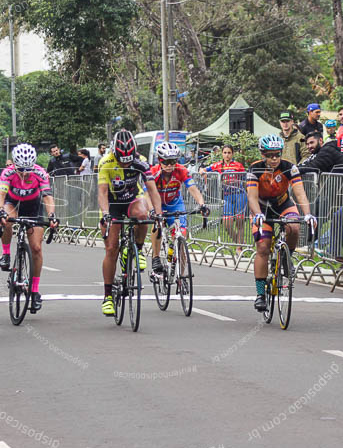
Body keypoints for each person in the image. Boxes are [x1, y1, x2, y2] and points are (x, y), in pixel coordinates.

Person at [247, 134, 316, 312]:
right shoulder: (255, 169)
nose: (274, 159)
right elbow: (252, 197)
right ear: (263, 154)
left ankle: (286, 257)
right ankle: (260, 294)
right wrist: (257, 214)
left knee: (294, 226)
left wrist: (308, 214)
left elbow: (300, 193)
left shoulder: (289, 168)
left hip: (283, 203)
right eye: (270, 155)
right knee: (263, 246)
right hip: (262, 208)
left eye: (277, 154)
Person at [97, 129, 163, 316]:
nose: (125, 163)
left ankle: (138, 250)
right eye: (121, 159)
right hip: (112, 203)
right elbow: (101, 193)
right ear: (114, 153)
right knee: (111, 249)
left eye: (128, 160)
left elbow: (152, 190)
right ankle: (108, 296)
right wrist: (105, 213)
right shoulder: (106, 162)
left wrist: (158, 214)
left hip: (132, 200)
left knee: (144, 215)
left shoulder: (140, 161)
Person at [0, 143, 59, 313]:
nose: (24, 173)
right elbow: (0, 196)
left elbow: (48, 197)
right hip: (13, 203)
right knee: (7, 220)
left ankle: (35, 290)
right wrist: (0, 211)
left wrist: (52, 215)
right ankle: (6, 254)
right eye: (21, 169)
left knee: (36, 248)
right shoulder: (7, 172)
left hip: (32, 206)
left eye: (27, 169)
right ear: (15, 164)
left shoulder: (39, 172)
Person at [149, 142, 209, 273]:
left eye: (173, 161)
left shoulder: (181, 170)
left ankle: (181, 277)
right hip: (157, 202)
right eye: (166, 162)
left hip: (175, 202)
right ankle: (156, 257)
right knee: (157, 225)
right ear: (160, 160)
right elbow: (147, 194)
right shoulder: (153, 172)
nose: (170, 165)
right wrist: (151, 210)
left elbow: (193, 189)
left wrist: (202, 204)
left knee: (182, 235)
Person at [199, 144, 247, 246]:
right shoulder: (218, 165)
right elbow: (204, 169)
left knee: (239, 222)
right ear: (222, 154)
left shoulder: (238, 165)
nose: (227, 155)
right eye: (225, 153)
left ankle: (239, 248)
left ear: (233, 154)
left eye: (229, 153)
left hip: (239, 195)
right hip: (227, 196)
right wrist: (202, 171)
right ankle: (240, 243)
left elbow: (245, 180)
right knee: (227, 224)